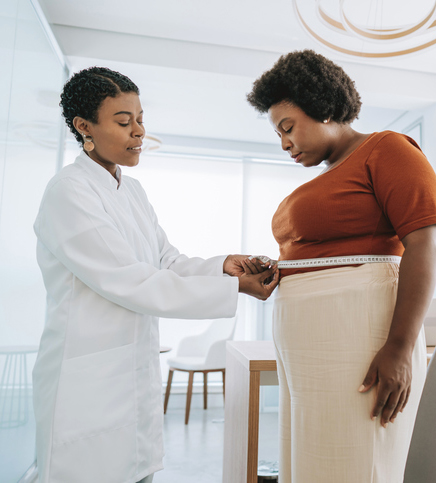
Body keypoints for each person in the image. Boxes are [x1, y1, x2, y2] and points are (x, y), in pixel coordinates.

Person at [32, 67, 279, 483]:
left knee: (137, 471)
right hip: (86, 387)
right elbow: (130, 281)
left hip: (131, 383)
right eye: (124, 122)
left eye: (141, 120)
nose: (138, 132)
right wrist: (233, 287)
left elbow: (165, 262)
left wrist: (223, 266)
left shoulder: (132, 191)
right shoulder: (68, 192)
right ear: (84, 127)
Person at [245, 50, 436, 483]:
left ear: (321, 106)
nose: (283, 143)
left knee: (357, 462)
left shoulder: (387, 149)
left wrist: (398, 348)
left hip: (359, 339)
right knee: (318, 461)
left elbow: (427, 242)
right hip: (311, 351)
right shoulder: (329, 176)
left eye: (287, 127)